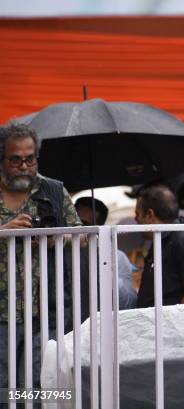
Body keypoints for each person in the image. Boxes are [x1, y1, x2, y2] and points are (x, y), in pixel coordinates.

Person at [0, 122, 81, 391]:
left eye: (30, 159)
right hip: (1, 311)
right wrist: (3, 232)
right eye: (15, 160)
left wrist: (54, 237)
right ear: (2, 158)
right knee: (2, 384)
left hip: (46, 308)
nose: (24, 166)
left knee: (40, 383)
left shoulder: (54, 191)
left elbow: (80, 236)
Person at [74, 196, 137, 312]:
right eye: (73, 222)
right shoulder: (56, 250)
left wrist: (104, 266)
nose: (77, 228)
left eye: (84, 223)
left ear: (99, 228)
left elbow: (128, 302)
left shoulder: (117, 257)